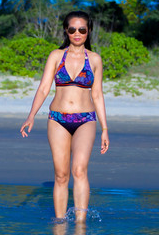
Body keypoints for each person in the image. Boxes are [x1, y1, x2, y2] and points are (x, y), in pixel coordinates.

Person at [20, 11, 109, 223]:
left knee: (79, 170)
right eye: (72, 29)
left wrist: (105, 129)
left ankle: (80, 225)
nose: (77, 33)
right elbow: (43, 88)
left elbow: (97, 94)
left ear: (88, 32)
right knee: (61, 175)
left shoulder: (95, 59)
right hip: (57, 119)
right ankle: (59, 225)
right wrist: (31, 116)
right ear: (66, 31)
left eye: (82, 30)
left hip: (85, 120)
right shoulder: (56, 56)